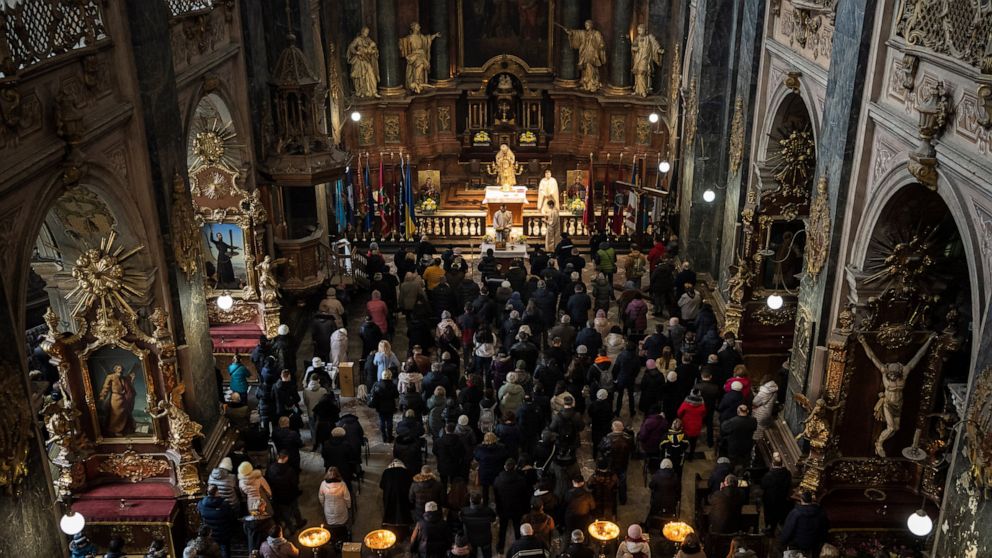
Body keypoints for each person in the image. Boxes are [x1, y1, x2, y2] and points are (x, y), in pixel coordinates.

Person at [493, 459, 531, 554]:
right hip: (517, 509)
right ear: (514, 468)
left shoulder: (498, 480)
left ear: (505, 467)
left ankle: (501, 547)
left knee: (502, 529)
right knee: (518, 528)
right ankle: (519, 547)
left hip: (503, 508)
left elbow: (496, 496)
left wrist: (497, 508)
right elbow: (525, 497)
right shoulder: (521, 481)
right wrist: (526, 509)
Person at [238, 461, 274, 554]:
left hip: (251, 504)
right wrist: (270, 497)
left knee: (256, 520)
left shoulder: (241, 481)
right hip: (262, 502)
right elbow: (268, 490)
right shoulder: (259, 477)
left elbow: (243, 494)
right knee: (266, 519)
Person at [780, 491, 830, 556]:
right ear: (812, 500)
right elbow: (824, 529)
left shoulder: (795, 513)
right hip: (813, 544)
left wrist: (783, 541)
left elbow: (788, 529)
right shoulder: (821, 513)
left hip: (797, 544)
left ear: (801, 499)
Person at [265, 450, 304, 534]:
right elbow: (294, 484)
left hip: (278, 495)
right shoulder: (290, 470)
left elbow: (268, 481)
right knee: (295, 508)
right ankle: (299, 522)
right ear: (286, 458)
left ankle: (291, 528)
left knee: (284, 514)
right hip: (290, 495)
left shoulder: (271, 468)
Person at [564, 20, 606, 92]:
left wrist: (601, 46)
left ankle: (592, 83)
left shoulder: (596, 33)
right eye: (585, 24)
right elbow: (576, 34)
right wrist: (571, 33)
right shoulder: (584, 33)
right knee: (585, 67)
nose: (586, 26)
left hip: (592, 53)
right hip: (584, 52)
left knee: (590, 66)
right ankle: (585, 83)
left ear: (591, 25)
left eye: (588, 24)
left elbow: (600, 42)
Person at [399, 22, 439, 93]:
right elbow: (403, 44)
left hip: (421, 55)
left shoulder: (421, 37)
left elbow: (427, 40)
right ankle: (416, 81)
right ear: (413, 28)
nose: (419, 27)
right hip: (414, 56)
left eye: (419, 26)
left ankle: (419, 83)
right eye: (418, 26)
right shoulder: (409, 38)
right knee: (421, 64)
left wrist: (435, 35)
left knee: (422, 65)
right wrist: (400, 45)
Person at [98, 364, 136, 436]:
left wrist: (132, 379)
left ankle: (121, 430)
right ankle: (114, 430)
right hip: (115, 398)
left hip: (123, 399)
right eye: (119, 368)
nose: (120, 370)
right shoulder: (110, 377)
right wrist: (102, 396)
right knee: (115, 414)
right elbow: (106, 387)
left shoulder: (124, 378)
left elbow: (128, 386)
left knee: (123, 415)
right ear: (115, 370)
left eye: (121, 369)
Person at [761, 452, 794, 534]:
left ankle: (770, 529)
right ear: (782, 464)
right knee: (780, 514)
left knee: (770, 515)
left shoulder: (769, 475)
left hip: (770, 500)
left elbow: (763, 485)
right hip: (783, 499)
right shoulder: (787, 474)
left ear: (772, 464)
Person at [318, 467, 352, 542]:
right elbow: (347, 498)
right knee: (342, 524)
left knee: (332, 526)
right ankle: (344, 536)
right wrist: (349, 506)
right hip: (340, 509)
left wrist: (324, 505)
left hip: (329, 509)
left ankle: (333, 537)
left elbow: (321, 496)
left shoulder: (323, 484)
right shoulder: (342, 484)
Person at [461, 492, 497, 558]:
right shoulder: (488, 510)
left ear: (470, 500)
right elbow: (493, 519)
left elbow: (461, 520)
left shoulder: (464, 511)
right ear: (481, 500)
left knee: (473, 555)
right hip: (486, 538)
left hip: (471, 539)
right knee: (487, 555)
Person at [347, 26, 379, 98]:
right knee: (360, 76)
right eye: (365, 32)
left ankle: (373, 91)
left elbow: (373, 46)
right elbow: (351, 47)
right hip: (359, 60)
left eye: (367, 33)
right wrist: (356, 52)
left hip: (366, 60)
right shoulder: (358, 39)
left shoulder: (368, 39)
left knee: (371, 75)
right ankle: (362, 92)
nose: (366, 34)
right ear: (362, 32)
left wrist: (373, 49)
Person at [381, 458, 414, 528]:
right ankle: (404, 522)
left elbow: (381, 485)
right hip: (403, 493)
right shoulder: (407, 472)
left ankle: (389, 521)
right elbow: (411, 484)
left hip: (389, 494)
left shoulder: (386, 472)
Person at [370, 370, 400, 442]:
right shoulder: (393, 385)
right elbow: (396, 395)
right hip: (390, 406)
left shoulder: (377, 384)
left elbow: (372, 393)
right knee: (390, 422)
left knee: (382, 421)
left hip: (380, 407)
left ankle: (384, 437)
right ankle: (389, 437)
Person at [677, 389, 707, 458]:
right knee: (693, 443)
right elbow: (704, 414)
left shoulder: (686, 404)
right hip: (696, 426)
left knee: (684, 442)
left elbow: (679, 413)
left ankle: (683, 455)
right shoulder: (702, 405)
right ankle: (691, 456)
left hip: (686, 426)